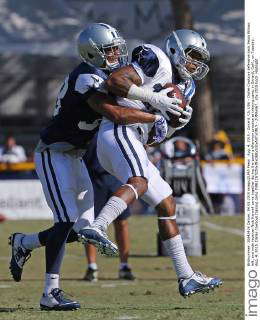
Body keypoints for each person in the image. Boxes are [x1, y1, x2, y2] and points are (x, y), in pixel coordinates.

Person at [8, 23, 180, 311]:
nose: (115, 54)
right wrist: (153, 114)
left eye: (116, 48)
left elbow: (127, 95)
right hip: (54, 153)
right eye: (108, 50)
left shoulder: (107, 73)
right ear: (91, 52)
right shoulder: (86, 76)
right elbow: (113, 111)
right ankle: (50, 292)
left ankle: (25, 243)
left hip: (77, 157)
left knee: (84, 228)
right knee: (65, 221)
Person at [78, 29, 223, 298]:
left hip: (136, 138)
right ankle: (97, 226)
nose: (195, 63)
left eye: (199, 59)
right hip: (119, 129)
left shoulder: (188, 87)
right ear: (175, 50)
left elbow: (157, 135)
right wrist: (155, 99)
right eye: (192, 56)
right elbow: (115, 81)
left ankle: (186, 276)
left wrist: (174, 125)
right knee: (139, 182)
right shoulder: (156, 59)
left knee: (167, 203)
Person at [83, 134, 135, 282]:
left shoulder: (114, 123)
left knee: (122, 223)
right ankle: (92, 267)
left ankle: (124, 265)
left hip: (116, 179)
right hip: (93, 179)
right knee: (91, 224)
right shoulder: (91, 121)